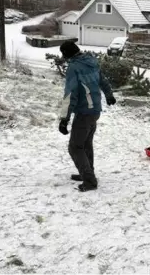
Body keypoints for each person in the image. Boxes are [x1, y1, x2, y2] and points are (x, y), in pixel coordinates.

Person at [58, 41, 116, 192]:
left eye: (63, 54)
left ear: (66, 54)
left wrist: (64, 119)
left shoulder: (74, 67)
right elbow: (102, 80)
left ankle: (89, 181)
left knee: (75, 147)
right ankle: (87, 172)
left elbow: (70, 95)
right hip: (95, 110)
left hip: (84, 112)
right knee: (85, 144)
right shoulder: (91, 61)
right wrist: (109, 95)